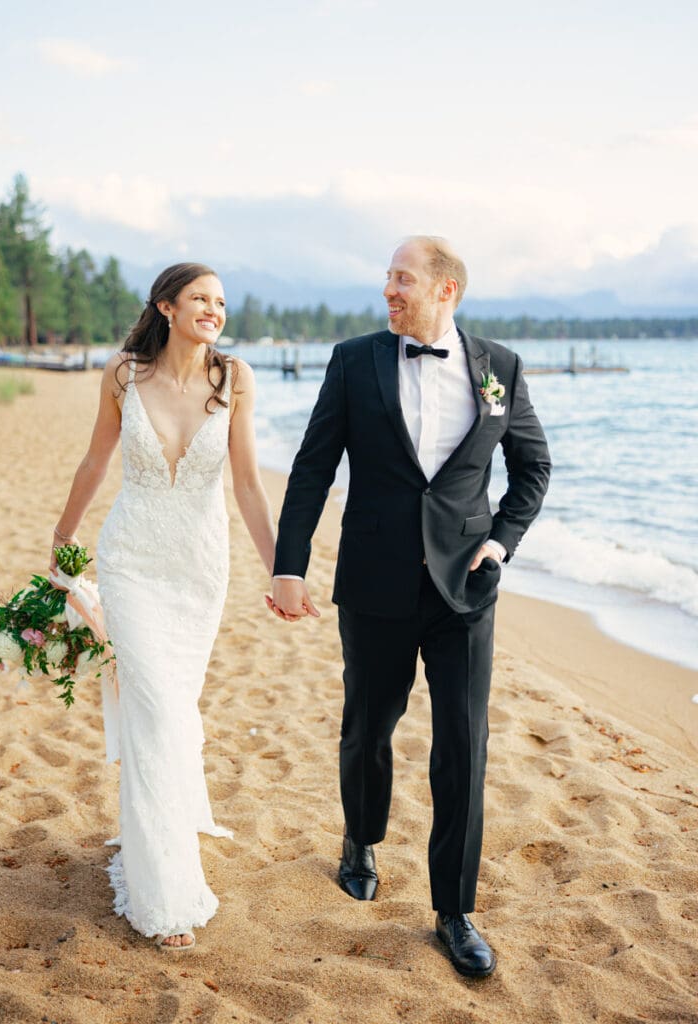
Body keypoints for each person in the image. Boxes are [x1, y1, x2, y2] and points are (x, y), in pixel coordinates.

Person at [268, 236, 551, 978]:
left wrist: (502, 543)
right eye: (387, 279)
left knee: (464, 744)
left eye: (402, 280)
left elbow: (533, 467)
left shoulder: (500, 368)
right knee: (369, 724)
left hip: (466, 589)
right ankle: (361, 838)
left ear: (446, 290)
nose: (388, 291)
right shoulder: (354, 360)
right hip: (375, 581)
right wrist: (288, 566)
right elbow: (312, 466)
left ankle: (454, 910)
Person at [52, 263, 276, 951]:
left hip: (200, 569)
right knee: (159, 711)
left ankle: (155, 843)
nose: (214, 309)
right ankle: (165, 889)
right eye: (200, 299)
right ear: (166, 307)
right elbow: (96, 462)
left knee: (173, 710)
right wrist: (63, 539)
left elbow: (246, 484)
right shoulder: (123, 374)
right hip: (132, 561)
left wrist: (282, 569)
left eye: (221, 301)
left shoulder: (235, 379)